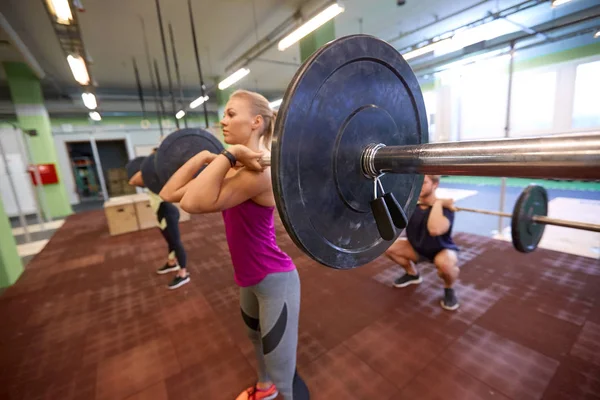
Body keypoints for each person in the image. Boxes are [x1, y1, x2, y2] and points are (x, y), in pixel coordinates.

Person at [160, 90, 301, 400]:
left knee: (283, 369)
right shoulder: (235, 167)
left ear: (256, 121)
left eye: (231, 114)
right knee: (255, 338)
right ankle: (265, 389)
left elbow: (195, 203)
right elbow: (169, 193)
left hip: (275, 278)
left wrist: (229, 155)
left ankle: (281, 390)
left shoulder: (258, 174)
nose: (222, 120)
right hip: (249, 278)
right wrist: (204, 156)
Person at [384, 174, 460, 310]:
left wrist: (438, 203)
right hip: (417, 248)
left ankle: (449, 288)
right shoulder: (410, 205)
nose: (419, 186)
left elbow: (435, 230)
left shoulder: (446, 209)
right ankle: (412, 274)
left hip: (441, 250)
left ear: (435, 185)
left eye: (423, 183)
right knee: (388, 247)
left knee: (446, 266)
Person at [128, 156, 190, 290]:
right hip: (161, 215)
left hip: (168, 213)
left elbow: (133, 180)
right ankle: (171, 262)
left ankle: (183, 273)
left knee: (176, 242)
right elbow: (132, 181)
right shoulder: (151, 182)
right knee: (170, 241)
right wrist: (148, 165)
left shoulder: (161, 180)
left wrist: (151, 165)